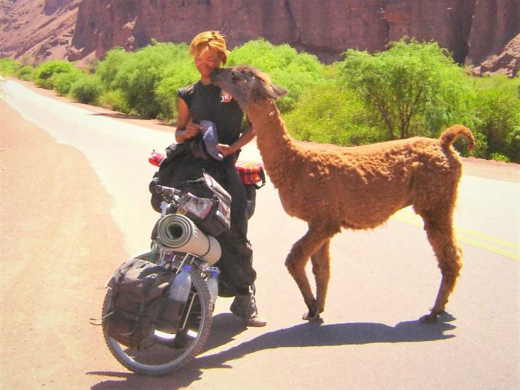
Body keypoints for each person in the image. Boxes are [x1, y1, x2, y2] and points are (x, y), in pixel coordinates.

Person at [173, 31, 266, 327]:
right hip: (193, 169)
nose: (204, 64)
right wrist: (184, 133)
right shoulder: (187, 93)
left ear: (221, 58)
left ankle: (244, 297)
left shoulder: (235, 89)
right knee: (189, 230)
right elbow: (179, 130)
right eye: (199, 58)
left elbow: (254, 126)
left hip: (224, 170)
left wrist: (234, 148)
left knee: (236, 230)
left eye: (210, 58)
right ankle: (187, 295)